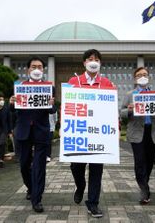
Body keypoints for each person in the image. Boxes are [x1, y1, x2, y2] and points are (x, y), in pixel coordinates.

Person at [68, 49, 114, 218]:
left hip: (99, 135)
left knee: (97, 170)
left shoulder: (107, 83)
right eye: (89, 59)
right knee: (76, 167)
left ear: (100, 63)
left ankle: (93, 203)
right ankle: (80, 186)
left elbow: (111, 110)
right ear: (84, 63)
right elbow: (68, 105)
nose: (93, 61)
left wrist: (114, 129)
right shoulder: (74, 81)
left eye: (96, 59)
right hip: (80, 132)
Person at [13, 56, 56, 213]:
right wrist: (12, 103)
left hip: (41, 131)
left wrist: (52, 104)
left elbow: (53, 110)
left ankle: (37, 199)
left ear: (43, 70)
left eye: (39, 67)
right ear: (28, 70)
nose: (36, 69)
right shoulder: (20, 87)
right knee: (24, 164)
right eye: (33, 67)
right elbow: (14, 110)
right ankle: (31, 188)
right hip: (24, 131)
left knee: (39, 166)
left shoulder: (49, 88)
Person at [120, 67, 155, 204]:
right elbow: (121, 113)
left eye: (145, 74)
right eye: (139, 75)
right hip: (137, 132)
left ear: (148, 77)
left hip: (152, 132)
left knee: (148, 161)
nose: (142, 77)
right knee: (140, 161)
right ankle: (144, 189)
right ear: (135, 78)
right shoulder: (130, 94)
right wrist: (129, 110)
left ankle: (144, 185)